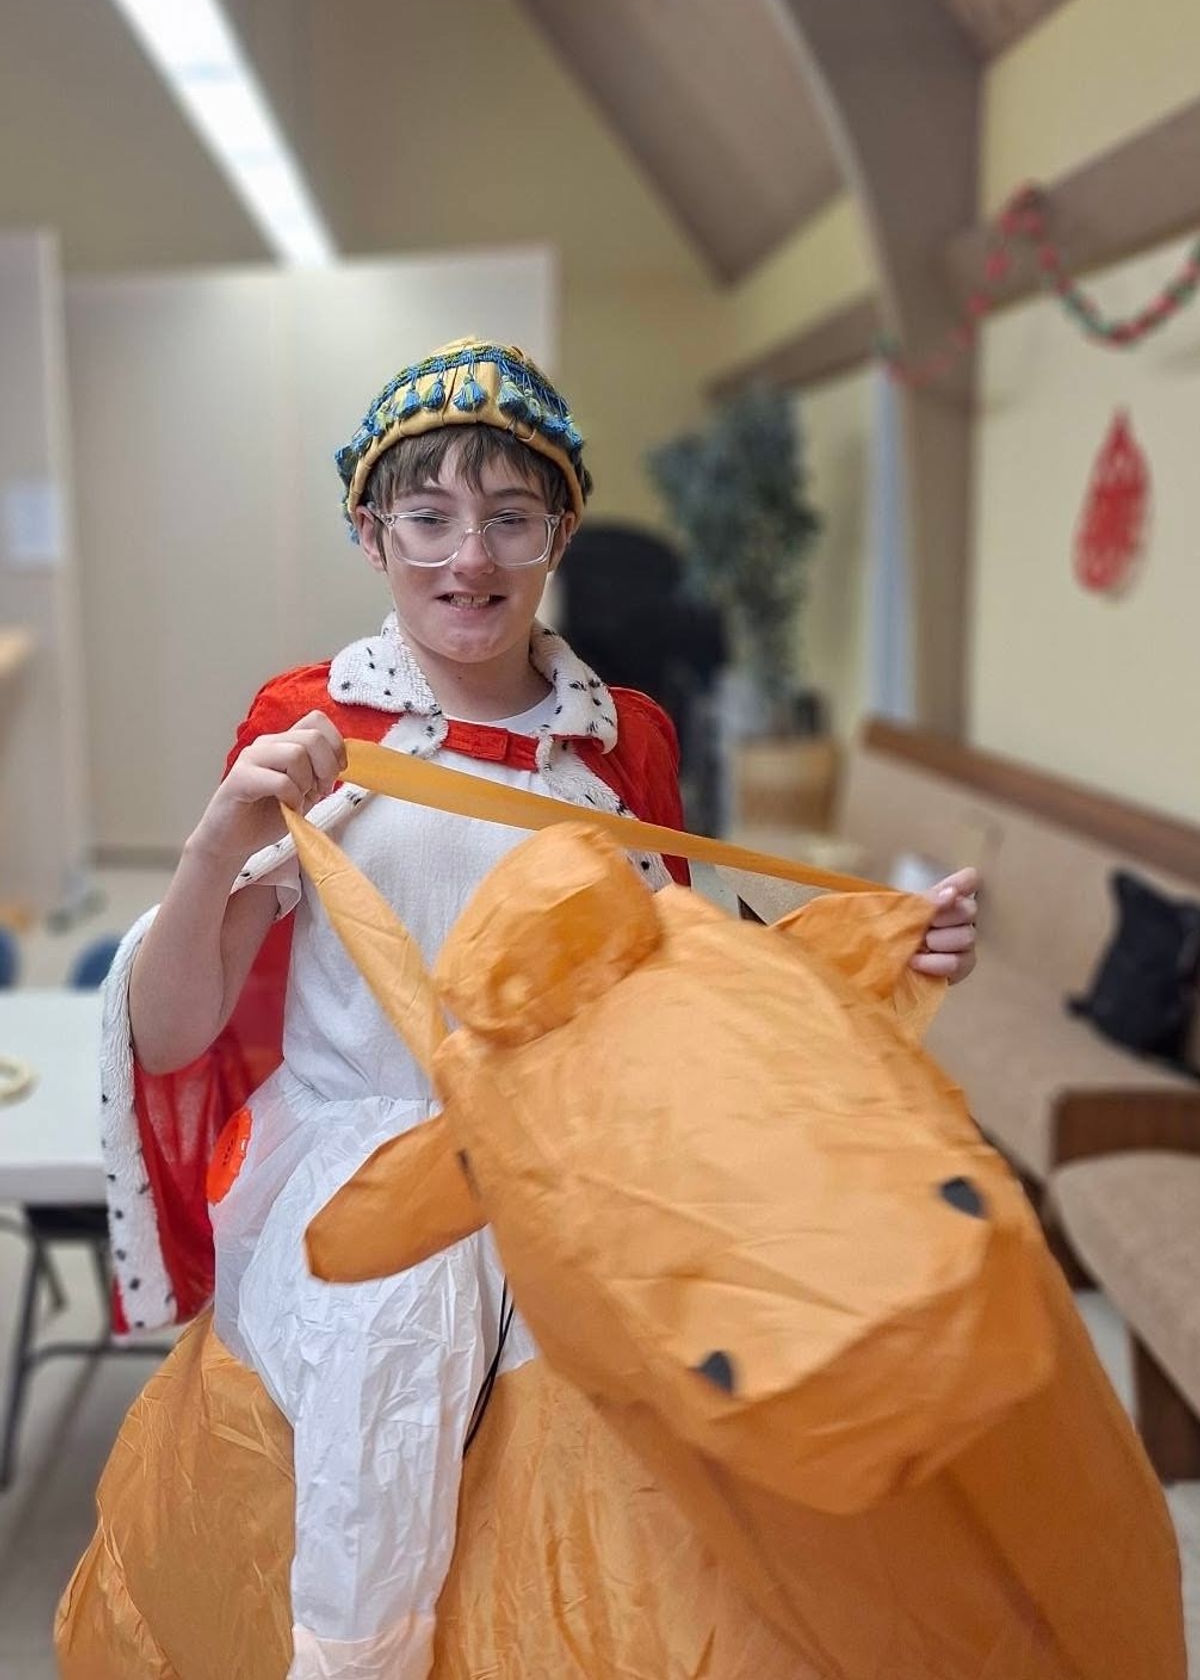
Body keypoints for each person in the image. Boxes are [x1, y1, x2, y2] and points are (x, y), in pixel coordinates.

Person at [62, 338, 978, 1679]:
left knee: (616, 1540)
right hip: (371, 1199)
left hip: (574, 1182)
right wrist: (212, 849)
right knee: (373, 1523)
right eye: (428, 517)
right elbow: (172, 1035)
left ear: (562, 532)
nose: (469, 558)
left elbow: (679, 974)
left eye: (510, 517)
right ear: (370, 533)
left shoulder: (625, 738)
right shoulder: (314, 722)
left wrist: (878, 953)